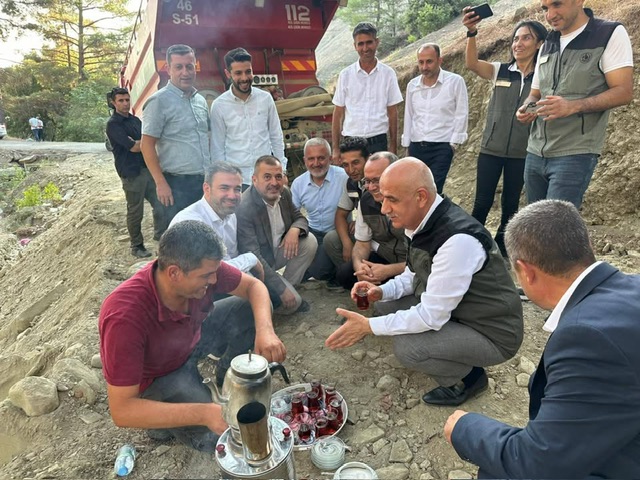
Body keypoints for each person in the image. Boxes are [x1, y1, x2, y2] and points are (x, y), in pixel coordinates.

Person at [445, 200, 640, 478]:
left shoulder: (585, 337)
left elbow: (538, 463)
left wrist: (464, 429)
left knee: (496, 473)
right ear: (587, 247)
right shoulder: (632, 286)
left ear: (526, 271)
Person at [325, 158, 522, 406]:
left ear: (420, 197)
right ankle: (452, 352)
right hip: (461, 312)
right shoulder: (424, 220)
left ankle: (470, 378)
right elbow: (413, 274)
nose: (384, 209)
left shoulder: (456, 240)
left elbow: (431, 316)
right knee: (385, 305)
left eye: (392, 199)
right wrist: (381, 291)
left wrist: (368, 326)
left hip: (492, 332)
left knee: (408, 347)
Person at [99, 221, 285, 452]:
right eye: (206, 276)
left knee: (249, 309)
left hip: (190, 340)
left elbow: (253, 287)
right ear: (174, 273)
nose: (214, 281)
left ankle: (226, 376)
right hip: (159, 375)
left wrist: (266, 331)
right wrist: (203, 413)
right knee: (220, 430)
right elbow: (122, 410)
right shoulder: (124, 317)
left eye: (215, 273)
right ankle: (160, 421)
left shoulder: (203, 267)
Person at [516, 0, 633, 208]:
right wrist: (528, 108)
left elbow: (623, 92)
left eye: (557, 4)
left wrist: (573, 106)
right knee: (535, 222)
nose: (550, 15)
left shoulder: (609, 33)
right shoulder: (547, 43)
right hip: (535, 151)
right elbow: (535, 94)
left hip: (575, 153)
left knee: (556, 224)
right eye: (545, 8)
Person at [462, 16, 548, 258]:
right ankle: (470, 244)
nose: (518, 44)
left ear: (540, 44)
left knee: (510, 205)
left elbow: (539, 106)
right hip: (491, 149)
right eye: (515, 39)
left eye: (526, 38)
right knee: (482, 202)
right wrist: (471, 33)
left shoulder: (543, 77)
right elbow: (471, 63)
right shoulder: (500, 70)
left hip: (522, 152)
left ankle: (502, 247)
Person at [141, 44, 211, 236]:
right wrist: (160, 183)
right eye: (178, 67)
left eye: (189, 66)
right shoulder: (158, 102)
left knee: (202, 236)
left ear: (195, 66)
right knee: (176, 240)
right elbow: (147, 145)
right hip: (175, 186)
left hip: (202, 183)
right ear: (168, 69)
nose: (185, 72)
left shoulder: (200, 101)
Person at [236, 156, 317, 315]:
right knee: (294, 303)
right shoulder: (245, 207)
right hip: (257, 267)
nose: (274, 182)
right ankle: (279, 294)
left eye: (278, 177)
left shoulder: (284, 193)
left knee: (309, 242)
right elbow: (253, 257)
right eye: (267, 177)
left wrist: (295, 229)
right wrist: (280, 288)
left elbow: (300, 218)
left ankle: (288, 288)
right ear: (254, 180)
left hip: (276, 252)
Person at [169, 163, 263, 279]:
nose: (232, 196)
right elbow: (213, 271)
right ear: (207, 189)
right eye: (224, 188)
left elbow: (231, 259)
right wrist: (250, 259)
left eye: (237, 189)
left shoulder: (230, 214)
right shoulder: (191, 222)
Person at [210, 47, 287, 187]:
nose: (244, 78)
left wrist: (282, 170)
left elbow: (276, 136)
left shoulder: (265, 99)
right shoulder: (219, 106)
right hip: (237, 181)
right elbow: (217, 147)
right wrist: (222, 180)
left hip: (266, 178)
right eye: (238, 73)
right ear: (228, 74)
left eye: (248, 71)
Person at [331, 22, 403, 164]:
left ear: (377, 42)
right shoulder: (346, 75)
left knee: (379, 178)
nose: (365, 48)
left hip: (378, 142)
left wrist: (393, 147)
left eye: (369, 42)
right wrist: (335, 148)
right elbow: (338, 113)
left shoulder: (388, 74)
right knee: (354, 178)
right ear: (355, 46)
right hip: (351, 143)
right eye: (360, 44)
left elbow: (392, 112)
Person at [402, 43, 468, 194]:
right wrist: (407, 145)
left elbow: (461, 113)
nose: (424, 67)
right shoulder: (412, 85)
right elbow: (409, 115)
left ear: (440, 60)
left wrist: (453, 145)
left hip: (441, 147)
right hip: (416, 146)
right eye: (421, 62)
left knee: (433, 191)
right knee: (413, 190)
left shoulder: (455, 82)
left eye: (429, 61)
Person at [335, 151, 407, 290]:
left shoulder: (411, 203)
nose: (371, 187)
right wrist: (359, 267)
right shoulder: (366, 200)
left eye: (377, 180)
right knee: (345, 274)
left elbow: (425, 260)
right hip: (386, 257)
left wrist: (389, 271)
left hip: (412, 266)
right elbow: (362, 244)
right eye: (367, 181)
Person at [106, 87, 161, 258]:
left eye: (127, 100)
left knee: (161, 204)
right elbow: (135, 147)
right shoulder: (113, 124)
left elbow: (148, 142)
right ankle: (136, 246)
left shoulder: (135, 121)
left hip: (147, 169)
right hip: (131, 173)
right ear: (113, 103)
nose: (125, 103)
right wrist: (143, 143)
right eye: (121, 101)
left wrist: (142, 143)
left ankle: (161, 237)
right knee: (136, 211)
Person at [290, 138, 348, 282]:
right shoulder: (298, 183)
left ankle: (330, 271)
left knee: (319, 270)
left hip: (337, 234)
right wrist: (294, 231)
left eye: (321, 158)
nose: (316, 163)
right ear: (305, 160)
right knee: (300, 267)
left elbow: (361, 203)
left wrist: (356, 223)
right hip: (313, 232)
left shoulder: (344, 178)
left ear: (330, 158)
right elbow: (293, 215)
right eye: (311, 159)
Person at [324, 137, 369, 281]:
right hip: (363, 237)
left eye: (355, 163)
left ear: (368, 159)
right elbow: (340, 215)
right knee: (331, 239)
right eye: (345, 165)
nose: (350, 170)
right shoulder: (351, 183)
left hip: (383, 240)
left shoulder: (382, 181)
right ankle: (356, 278)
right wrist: (347, 244)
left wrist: (361, 220)